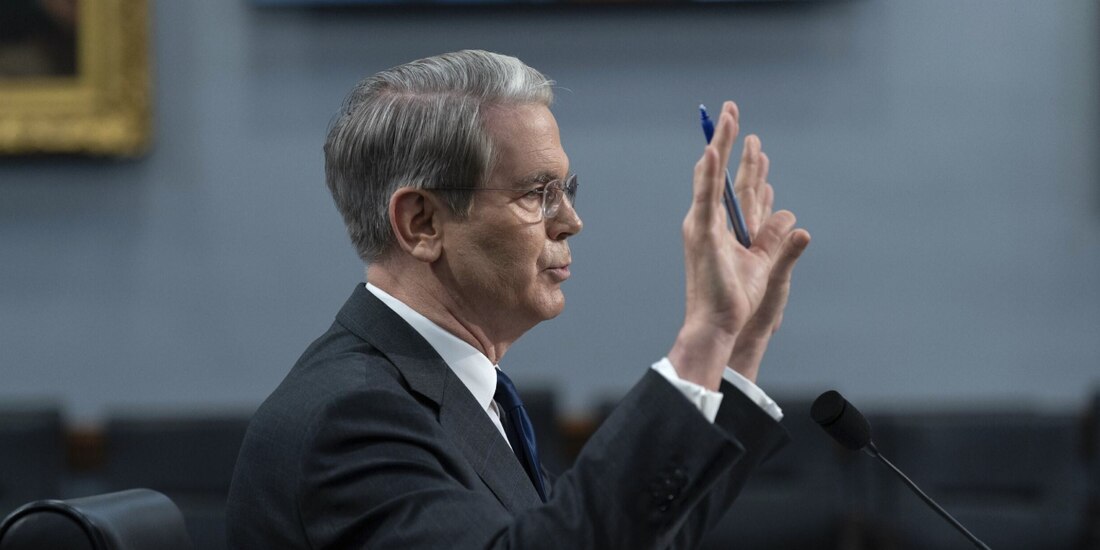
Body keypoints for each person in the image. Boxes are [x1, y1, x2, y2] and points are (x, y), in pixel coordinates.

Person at [226, 50, 810, 549]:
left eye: (567, 191)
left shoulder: (451, 392)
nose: (572, 222)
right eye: (539, 194)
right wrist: (702, 335)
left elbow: (617, 534)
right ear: (422, 222)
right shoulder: (351, 419)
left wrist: (739, 341)